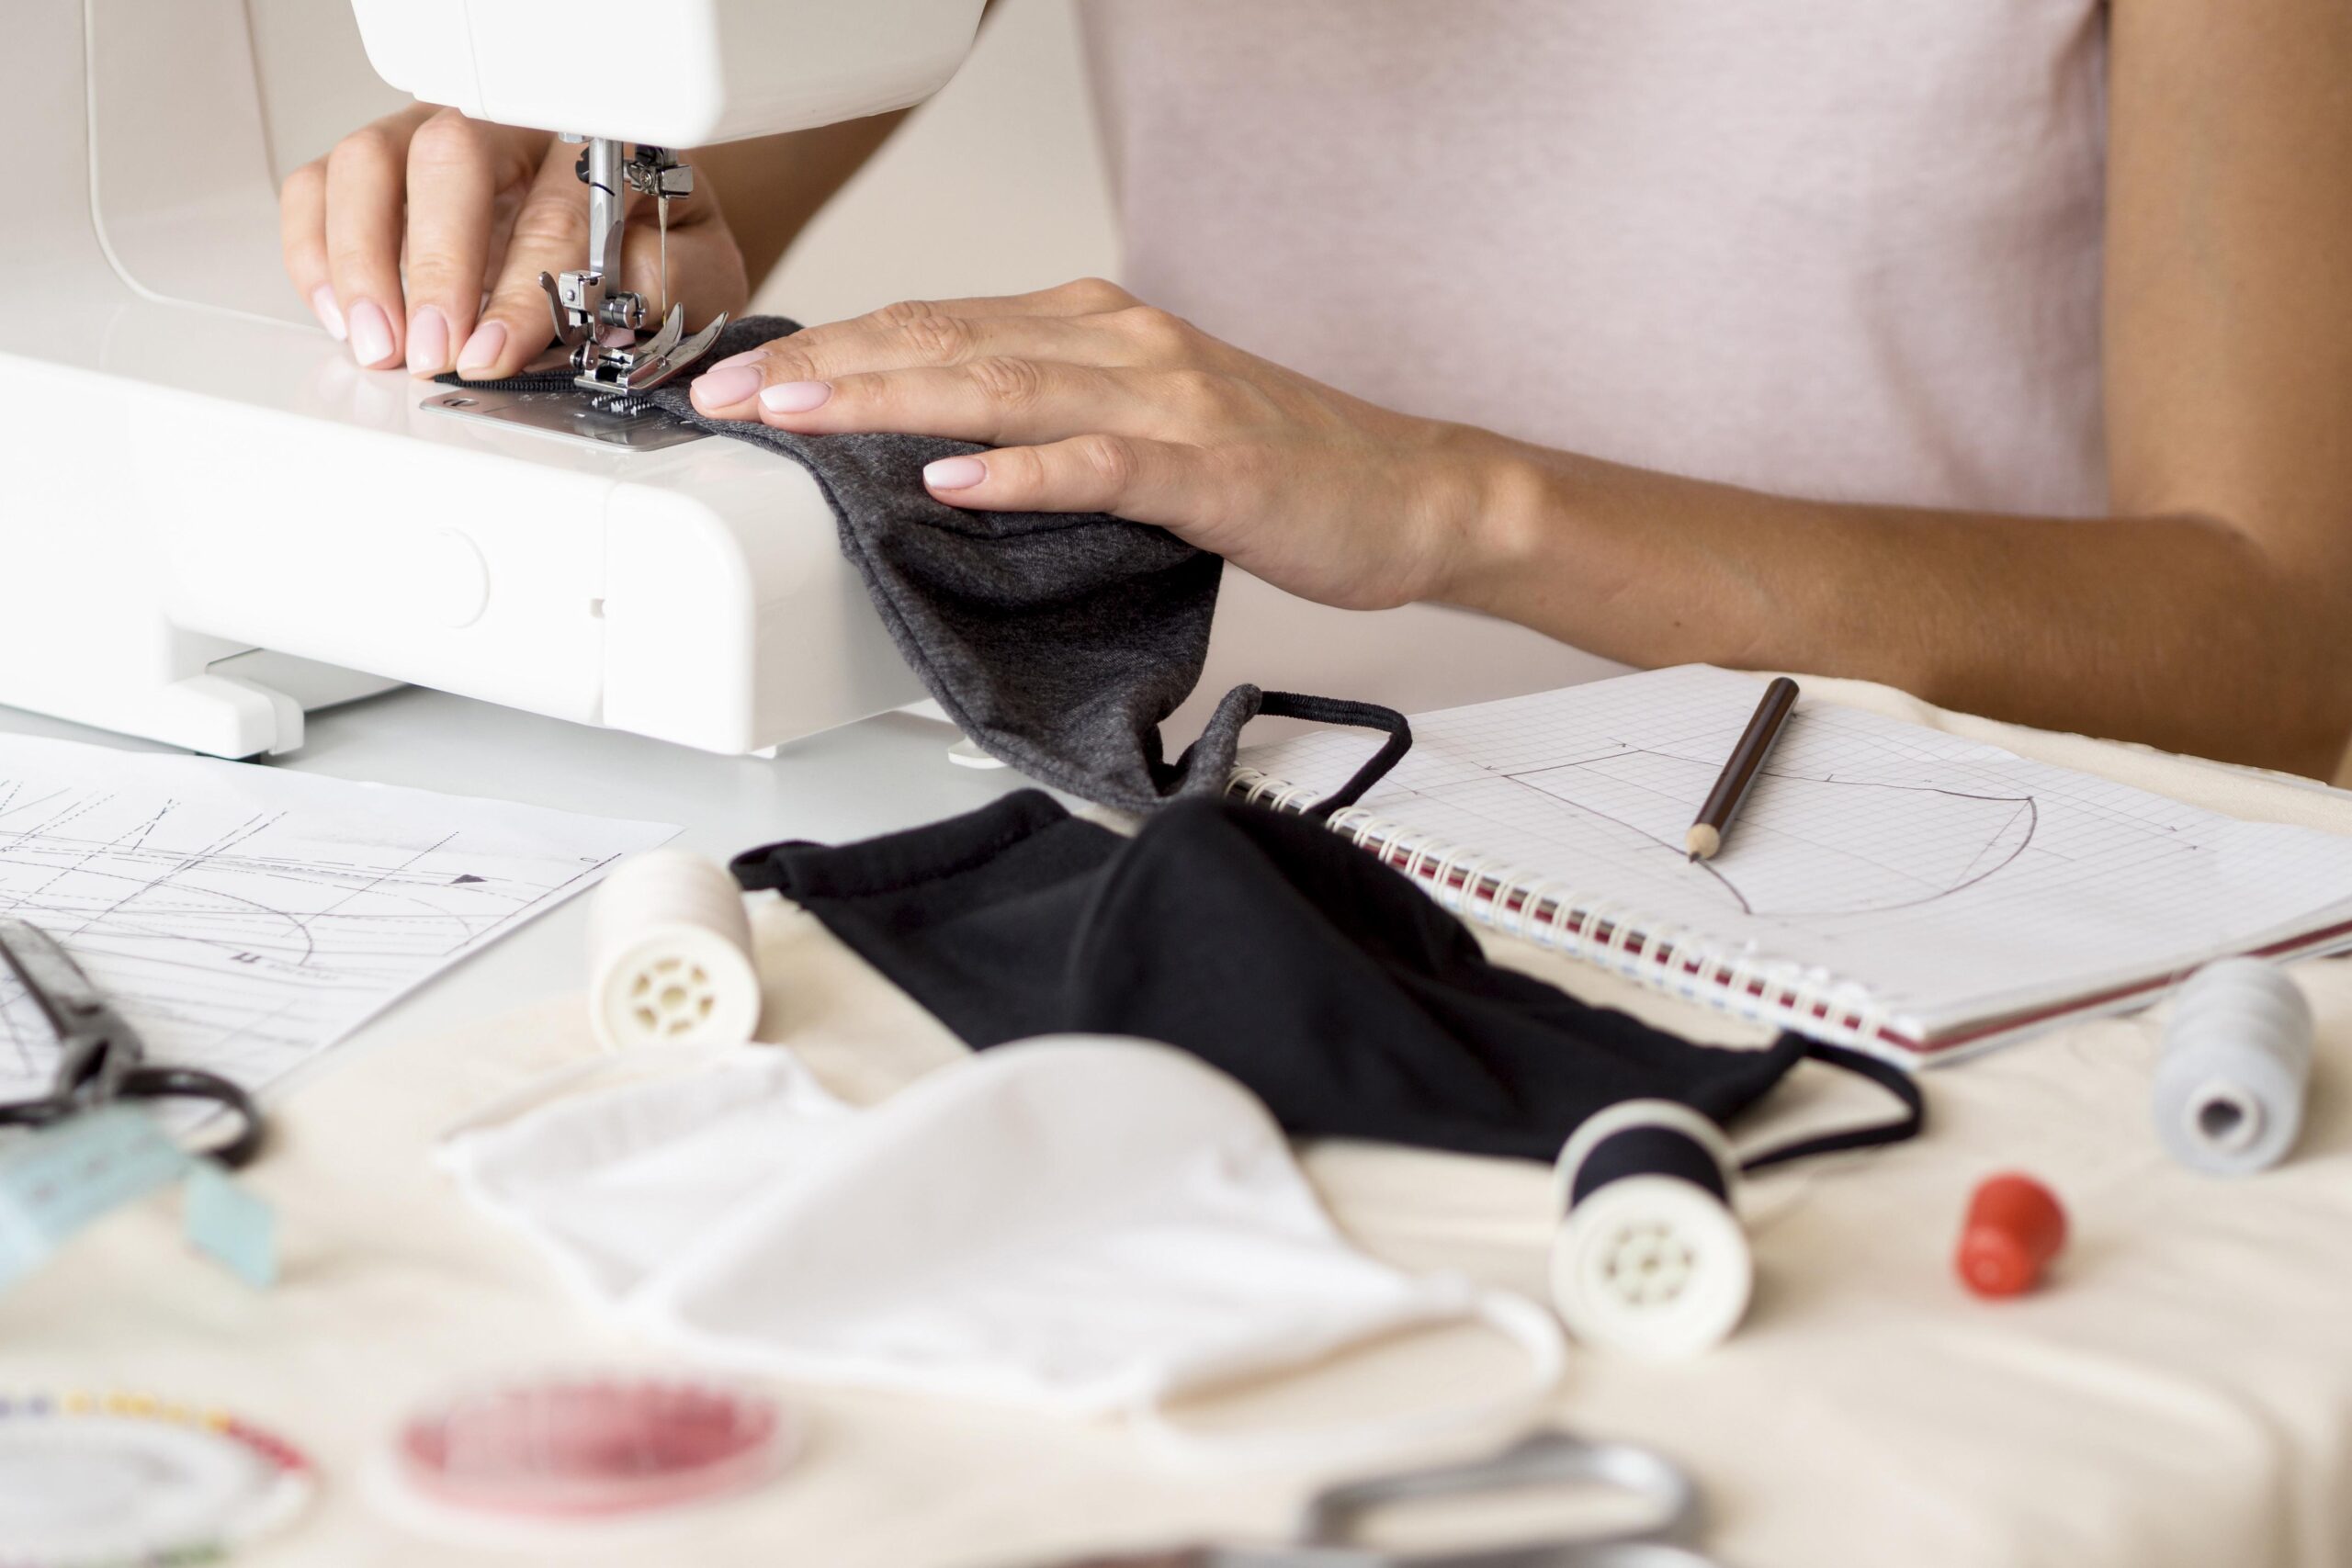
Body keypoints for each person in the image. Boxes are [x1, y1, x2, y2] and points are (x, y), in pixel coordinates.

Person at [279, 1, 2352, 776]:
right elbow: (703, 158)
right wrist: (594, 199)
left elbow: (2272, 635)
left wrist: (1450, 501)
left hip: (1948, 886)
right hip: (1259, 834)